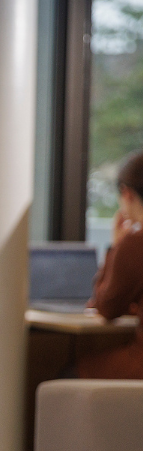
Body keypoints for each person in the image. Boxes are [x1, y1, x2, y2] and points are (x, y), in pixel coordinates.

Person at [77, 150, 143, 379]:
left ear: (126, 194)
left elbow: (107, 308)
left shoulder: (136, 243)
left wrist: (116, 247)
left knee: (69, 372)